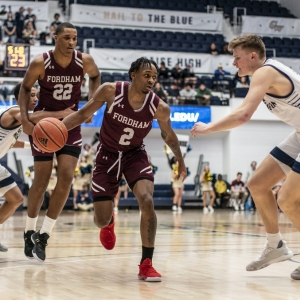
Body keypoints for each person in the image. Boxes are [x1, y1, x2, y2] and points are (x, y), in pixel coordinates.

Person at [62, 57, 187, 282]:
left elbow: (168, 135)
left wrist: (180, 160)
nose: (151, 80)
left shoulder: (159, 107)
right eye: (146, 75)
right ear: (133, 75)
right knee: (99, 219)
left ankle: (146, 263)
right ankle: (108, 222)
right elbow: (82, 115)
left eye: (154, 77)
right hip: (106, 155)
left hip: (134, 155)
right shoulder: (110, 91)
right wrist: (58, 131)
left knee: (147, 200)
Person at [190, 33, 300, 279]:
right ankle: (275, 246)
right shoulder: (267, 72)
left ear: (253, 56)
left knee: (287, 199)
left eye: (237, 57)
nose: (233, 63)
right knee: (258, 185)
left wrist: (209, 127)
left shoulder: (264, 72)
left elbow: (243, 115)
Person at [19, 22, 100, 262]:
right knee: (41, 182)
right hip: (44, 125)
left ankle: (44, 235)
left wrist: (91, 102)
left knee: (66, 177)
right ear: (55, 38)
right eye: (66, 38)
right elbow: (25, 88)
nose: (71, 42)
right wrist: (25, 120)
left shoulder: (84, 61)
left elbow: (95, 77)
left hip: (71, 123)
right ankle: (28, 230)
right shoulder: (39, 62)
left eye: (74, 38)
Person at [0, 83, 72, 253]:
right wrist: (62, 113)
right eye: (31, 95)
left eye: (36, 95)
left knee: (16, 199)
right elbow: (35, 117)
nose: (35, 99)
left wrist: (28, 146)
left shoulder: (18, 118)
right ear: (20, 98)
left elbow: (9, 142)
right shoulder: (14, 112)